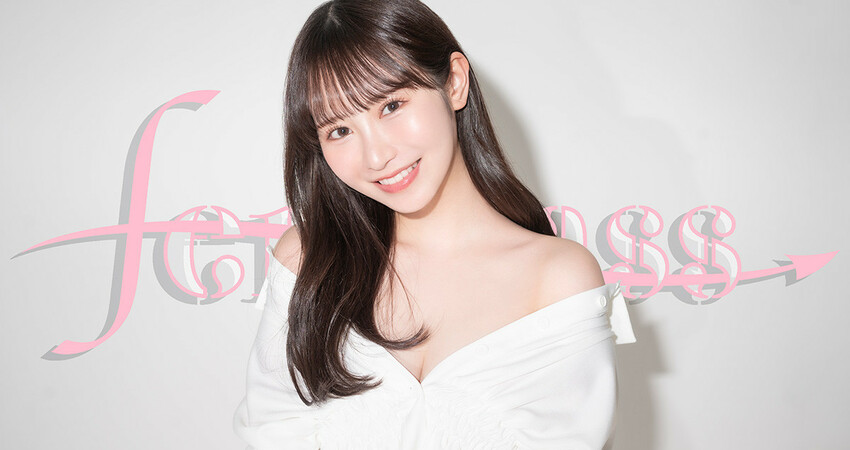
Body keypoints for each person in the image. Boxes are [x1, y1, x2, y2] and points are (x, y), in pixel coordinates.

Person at [234, 0, 636, 448]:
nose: (376, 156)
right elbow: (271, 433)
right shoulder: (307, 261)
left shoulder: (557, 278)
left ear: (455, 82)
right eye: (339, 131)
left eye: (391, 105)